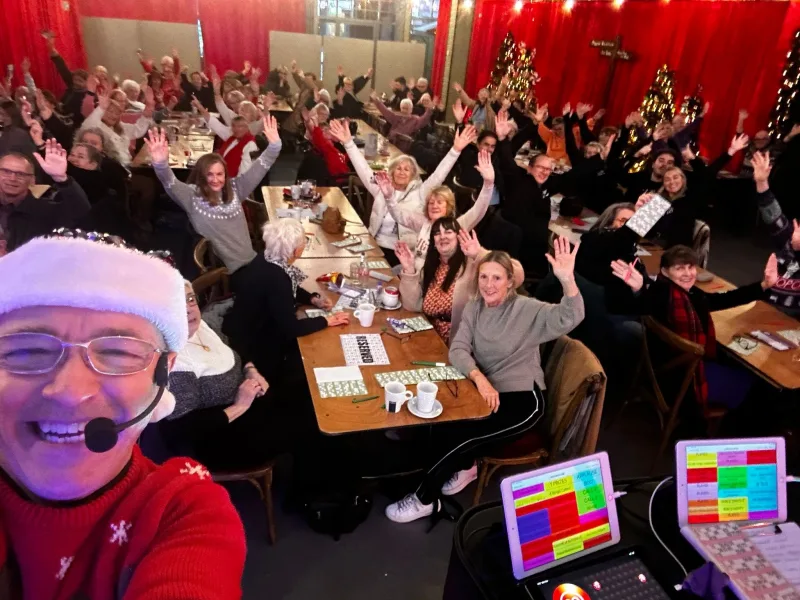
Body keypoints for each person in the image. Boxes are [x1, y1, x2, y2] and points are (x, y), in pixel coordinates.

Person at [0, 230, 245, 597]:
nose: (70, 392)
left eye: (118, 353)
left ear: (163, 375)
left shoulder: (181, 510)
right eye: (27, 350)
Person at [385, 239, 585, 522]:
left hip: (523, 398)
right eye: (484, 277)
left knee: (462, 436)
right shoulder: (475, 307)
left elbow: (571, 316)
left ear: (510, 283)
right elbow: (457, 349)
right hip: (484, 390)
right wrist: (479, 378)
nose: (489, 284)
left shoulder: (527, 309)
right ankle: (465, 466)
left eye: (497, 278)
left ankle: (424, 499)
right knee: (443, 424)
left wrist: (568, 281)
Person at [610, 245, 778, 430]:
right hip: (683, 382)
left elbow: (722, 299)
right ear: (665, 271)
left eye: (690, 267)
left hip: (666, 371)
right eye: (679, 268)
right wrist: (640, 288)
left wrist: (763, 286)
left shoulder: (686, 294)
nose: (688, 273)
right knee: (757, 382)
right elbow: (644, 302)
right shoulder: (664, 294)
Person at [146, 281, 303, 471]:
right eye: (176, 304)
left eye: (190, 299)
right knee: (306, 426)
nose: (188, 310)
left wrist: (250, 370)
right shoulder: (175, 362)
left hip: (249, 404)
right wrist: (240, 405)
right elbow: (182, 432)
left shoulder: (199, 327)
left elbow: (232, 347)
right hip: (222, 439)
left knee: (305, 390)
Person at [145, 116, 282, 282]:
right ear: (201, 176)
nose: (215, 179)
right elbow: (170, 182)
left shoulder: (236, 188)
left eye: (219, 174)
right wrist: (160, 164)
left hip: (254, 262)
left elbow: (261, 166)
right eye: (209, 174)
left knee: (288, 279)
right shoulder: (191, 196)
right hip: (230, 273)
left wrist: (274, 146)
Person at [329, 118, 476, 265]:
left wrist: (455, 151)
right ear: (391, 172)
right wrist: (348, 143)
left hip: (402, 253)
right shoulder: (383, 189)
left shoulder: (421, 193)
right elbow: (363, 169)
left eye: (407, 169)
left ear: (413, 175)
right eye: (398, 168)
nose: (402, 172)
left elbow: (439, 174)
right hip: (374, 245)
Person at [223, 218, 350, 385]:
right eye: (305, 241)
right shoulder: (277, 279)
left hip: (244, 324)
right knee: (318, 355)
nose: (305, 244)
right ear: (296, 251)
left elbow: (289, 287)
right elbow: (291, 328)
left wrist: (313, 299)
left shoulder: (266, 257)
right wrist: (326, 320)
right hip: (255, 344)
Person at [397, 225, 523, 344]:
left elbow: (517, 276)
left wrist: (480, 254)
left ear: (458, 237)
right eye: (437, 233)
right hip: (429, 337)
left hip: (460, 346)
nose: (443, 237)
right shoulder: (432, 265)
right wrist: (409, 270)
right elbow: (412, 305)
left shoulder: (473, 263)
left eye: (448, 232)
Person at [379, 148, 495, 271]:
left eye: (440, 202)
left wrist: (488, 184)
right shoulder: (424, 223)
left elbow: (478, 210)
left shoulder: (456, 226)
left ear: (448, 206)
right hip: (413, 271)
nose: (434, 206)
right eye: (431, 203)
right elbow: (398, 215)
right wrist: (389, 197)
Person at [0, 141, 90, 251]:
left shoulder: (45, 212)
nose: (12, 178)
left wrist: (61, 178)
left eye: (20, 174)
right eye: (6, 171)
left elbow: (81, 212)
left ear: (32, 180)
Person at [752, 152, 800, 316]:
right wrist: (762, 182)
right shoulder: (790, 237)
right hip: (765, 306)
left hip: (793, 320)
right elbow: (772, 215)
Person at [81, 92, 153, 166]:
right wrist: (101, 107)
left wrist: (145, 115)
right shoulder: (96, 128)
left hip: (128, 166)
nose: (113, 115)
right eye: (110, 111)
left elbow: (137, 130)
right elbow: (86, 126)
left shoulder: (120, 127)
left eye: (117, 113)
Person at [192, 98, 258, 177]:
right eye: (234, 126)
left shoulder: (250, 145)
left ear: (247, 127)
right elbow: (214, 123)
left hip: (230, 183)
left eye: (240, 126)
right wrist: (199, 106)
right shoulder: (232, 136)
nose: (236, 129)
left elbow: (244, 175)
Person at [42, 30, 90, 127]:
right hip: (62, 122)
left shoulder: (89, 96)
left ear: (87, 83)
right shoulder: (71, 86)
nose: (76, 83)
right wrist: (51, 48)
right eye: (75, 80)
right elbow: (61, 66)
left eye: (80, 81)